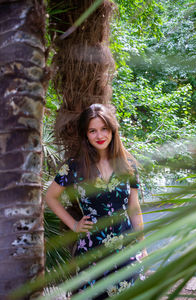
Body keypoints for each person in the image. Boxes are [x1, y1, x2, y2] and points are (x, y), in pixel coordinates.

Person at [45, 103, 147, 298]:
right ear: (85, 134)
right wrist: (74, 225)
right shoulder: (74, 167)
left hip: (126, 247)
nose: (100, 136)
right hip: (92, 251)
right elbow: (51, 197)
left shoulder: (128, 164)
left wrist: (142, 247)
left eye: (104, 129)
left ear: (112, 130)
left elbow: (134, 208)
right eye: (93, 131)